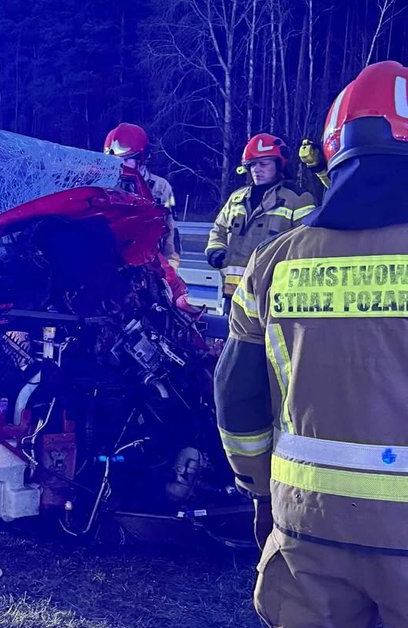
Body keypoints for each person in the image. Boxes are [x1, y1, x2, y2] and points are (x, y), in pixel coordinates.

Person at [215, 60, 408, 627]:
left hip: (306, 529)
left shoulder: (275, 261)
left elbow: (236, 393)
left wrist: (256, 485)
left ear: (330, 152)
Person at [206, 133, 315, 311]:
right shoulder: (237, 198)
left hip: (272, 297)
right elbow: (218, 229)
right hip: (232, 295)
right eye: (252, 165)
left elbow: (307, 246)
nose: (257, 169)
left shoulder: (298, 199)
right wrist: (215, 250)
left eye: (264, 164)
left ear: (279, 165)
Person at [104, 123, 180, 266]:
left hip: (151, 264)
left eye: (126, 160)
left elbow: (170, 230)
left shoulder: (161, 188)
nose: (120, 165)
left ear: (142, 158)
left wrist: (170, 265)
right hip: (114, 265)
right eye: (114, 160)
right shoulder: (103, 188)